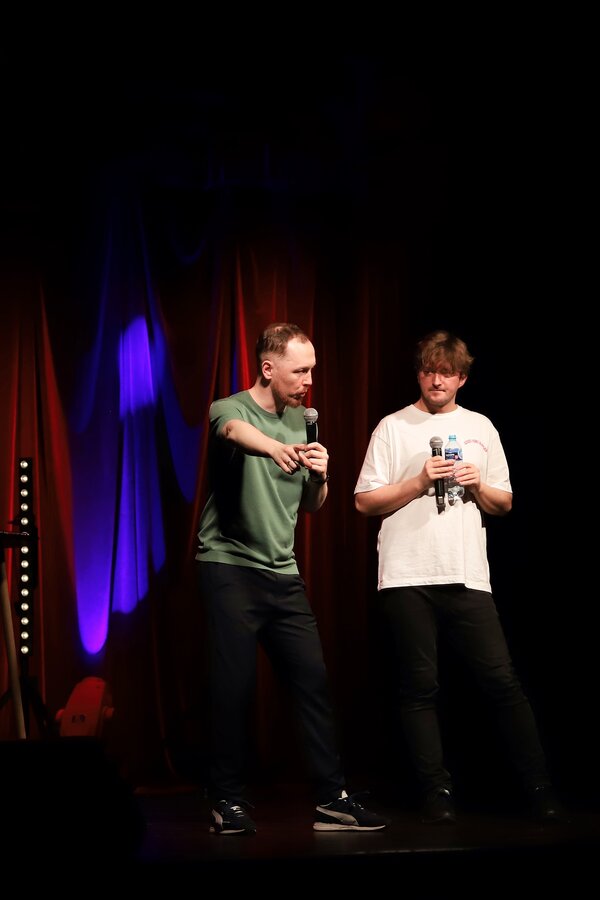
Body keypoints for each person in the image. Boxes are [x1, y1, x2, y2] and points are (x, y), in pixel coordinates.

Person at [354, 329, 563, 825]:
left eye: (447, 373)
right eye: (429, 371)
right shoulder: (393, 427)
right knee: (419, 687)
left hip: (467, 573)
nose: (437, 381)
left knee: (501, 681)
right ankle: (436, 792)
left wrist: (478, 485)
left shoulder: (480, 427)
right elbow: (364, 501)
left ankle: (540, 788)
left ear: (462, 378)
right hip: (407, 574)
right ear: (419, 373)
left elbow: (503, 502)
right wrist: (418, 481)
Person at [196, 322, 389, 835]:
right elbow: (233, 434)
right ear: (268, 368)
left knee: (312, 684)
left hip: (282, 572)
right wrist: (272, 446)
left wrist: (321, 476)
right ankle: (227, 800)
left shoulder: (304, 423)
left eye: (312, 371)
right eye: (300, 371)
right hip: (229, 566)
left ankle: (331, 798)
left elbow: (311, 505)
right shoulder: (230, 409)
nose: (309, 381)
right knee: (234, 687)